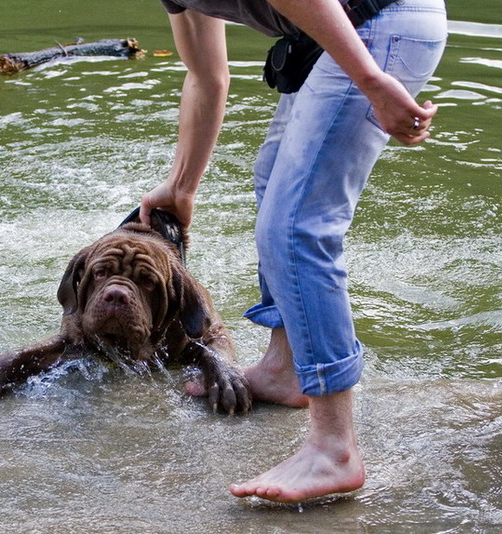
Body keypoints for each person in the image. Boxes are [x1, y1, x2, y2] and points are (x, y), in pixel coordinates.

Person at [139, 0, 447, 503]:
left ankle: (334, 450)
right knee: (273, 183)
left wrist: (371, 81)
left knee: (299, 226)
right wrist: (181, 187)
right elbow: (207, 75)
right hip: (334, 32)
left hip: (382, 19)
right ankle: (285, 371)